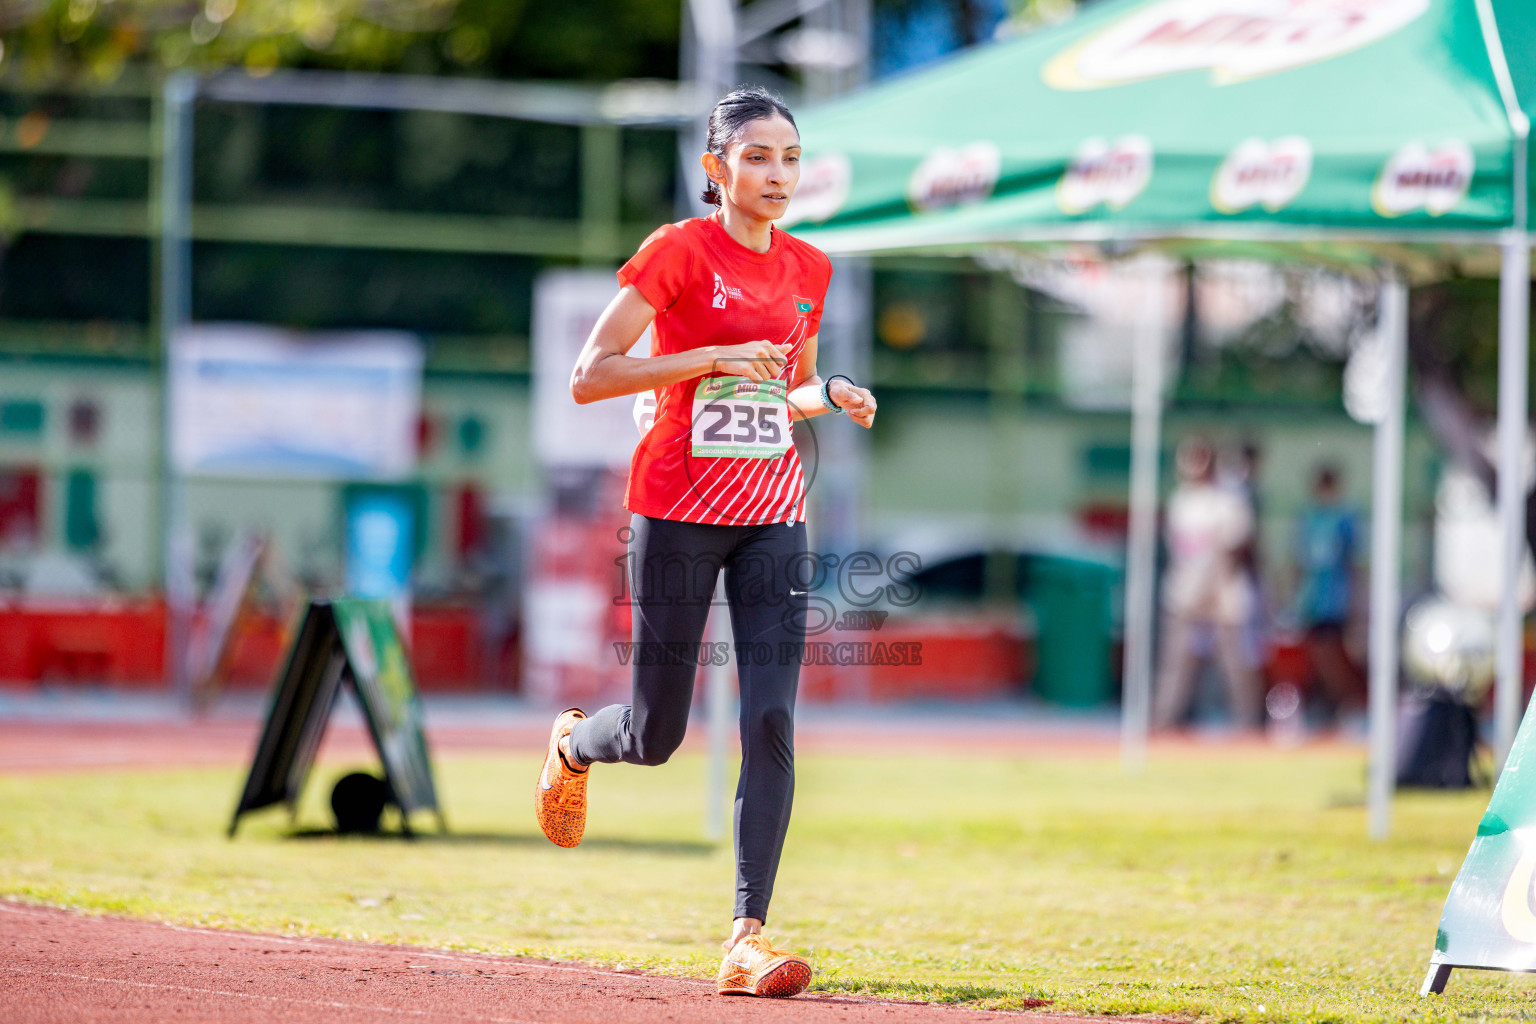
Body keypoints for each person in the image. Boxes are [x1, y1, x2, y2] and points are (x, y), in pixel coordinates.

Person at [533, 87, 877, 999]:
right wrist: (706, 359)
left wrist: (831, 394)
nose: (777, 174)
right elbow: (589, 377)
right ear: (716, 168)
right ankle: (576, 744)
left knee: (770, 717)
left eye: (790, 158)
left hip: (773, 513)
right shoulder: (678, 251)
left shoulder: (810, 267)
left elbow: (786, 387)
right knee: (658, 734)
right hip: (677, 508)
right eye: (757, 157)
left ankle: (745, 938)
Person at [1152, 436, 1262, 731]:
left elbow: (1239, 549)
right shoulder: (1180, 502)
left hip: (1224, 594)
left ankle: (1249, 726)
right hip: (1186, 595)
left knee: (1236, 667)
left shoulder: (1228, 502)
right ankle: (1164, 722)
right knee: (1176, 665)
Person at [1293, 464, 1364, 722]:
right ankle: (1330, 706)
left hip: (1334, 599)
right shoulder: (1308, 518)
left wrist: (1356, 601)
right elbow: (1299, 561)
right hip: (1313, 600)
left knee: (1331, 655)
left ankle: (1349, 705)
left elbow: (1353, 562)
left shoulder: (1344, 519)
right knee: (1316, 656)